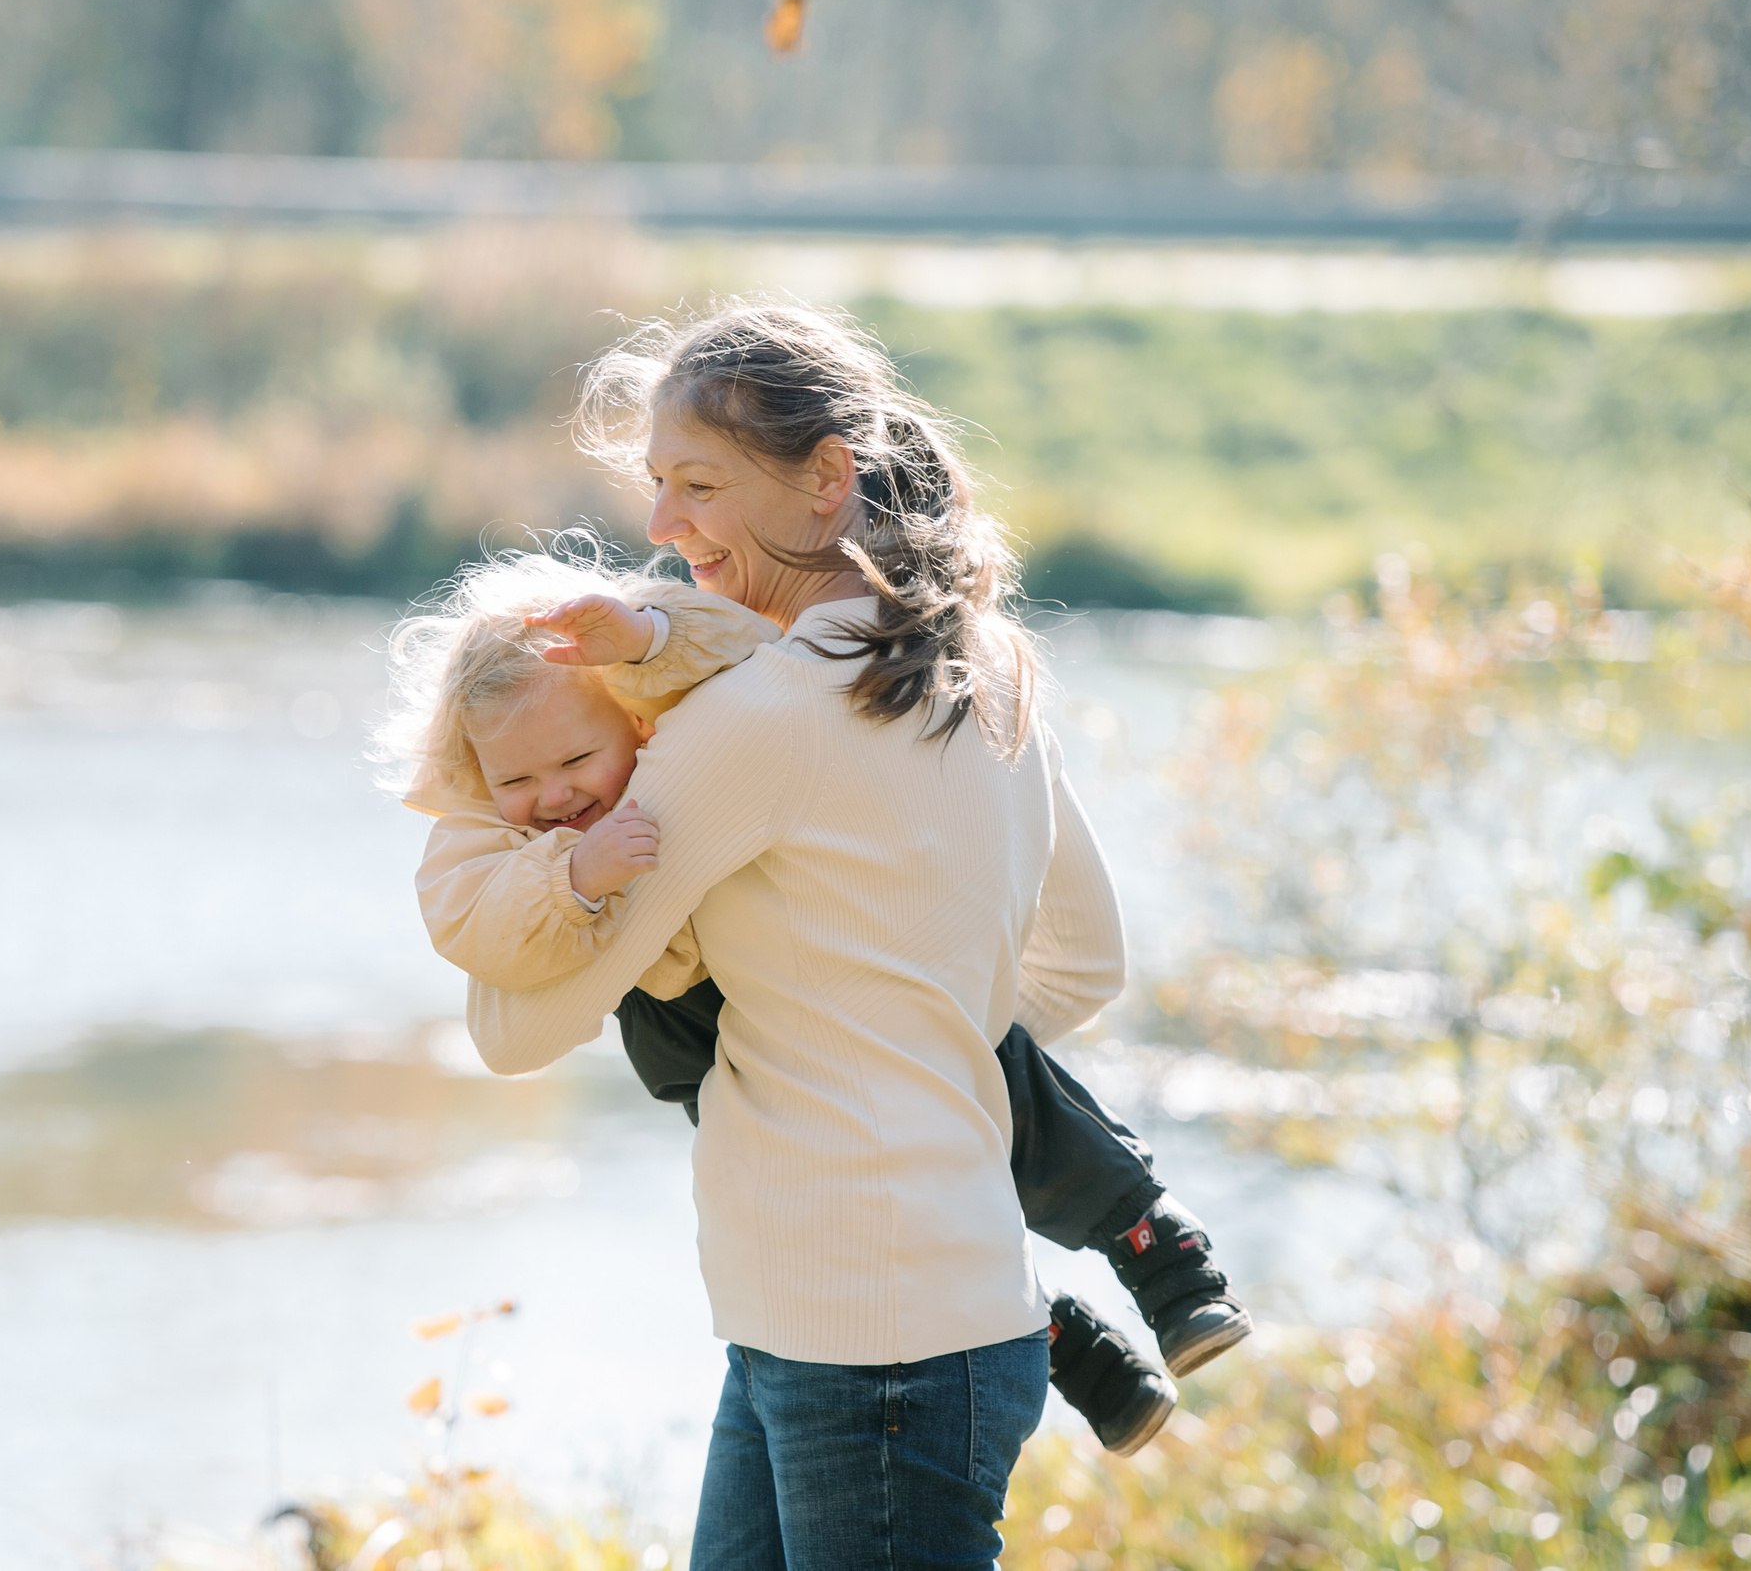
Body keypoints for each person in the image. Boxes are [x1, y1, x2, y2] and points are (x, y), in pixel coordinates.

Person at [407, 299, 1178, 1568]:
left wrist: (487, 823)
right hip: (879, 1314)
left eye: (699, 483)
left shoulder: (752, 723)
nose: (661, 527)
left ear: (825, 481)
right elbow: (1084, 961)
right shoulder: (976, 662)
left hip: (866, 1340)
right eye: (657, 486)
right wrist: (894, 1047)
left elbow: (516, 1023)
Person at [380, 552, 1250, 1461]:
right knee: (835, 1134)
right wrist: (571, 872)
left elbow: (744, 649)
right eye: (516, 782)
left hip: (784, 960)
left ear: (635, 719)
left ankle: (1150, 1235)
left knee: (973, 1061)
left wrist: (644, 637)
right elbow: (472, 929)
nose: (552, 798)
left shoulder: (695, 733)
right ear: (475, 771)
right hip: (683, 1024)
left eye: (575, 760)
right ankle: (1055, 1334)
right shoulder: (478, 828)